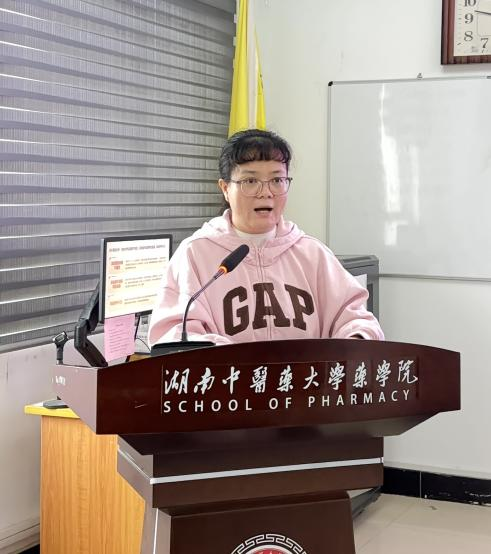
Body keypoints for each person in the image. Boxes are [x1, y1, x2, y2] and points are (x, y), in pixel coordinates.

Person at [149, 129, 384, 347]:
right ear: (225, 189)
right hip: (230, 379)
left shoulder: (312, 254)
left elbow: (356, 318)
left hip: (304, 379)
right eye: (250, 181)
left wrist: (355, 339)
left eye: (277, 180)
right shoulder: (194, 254)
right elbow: (174, 334)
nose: (266, 192)